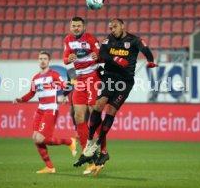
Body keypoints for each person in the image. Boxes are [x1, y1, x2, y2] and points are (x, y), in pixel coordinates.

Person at [77, 18, 158, 175]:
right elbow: (102, 53)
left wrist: (150, 61)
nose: (112, 29)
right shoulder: (109, 39)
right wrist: (116, 58)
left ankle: (99, 144)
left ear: (122, 26)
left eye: (114, 27)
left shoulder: (134, 40)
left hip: (125, 82)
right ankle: (89, 141)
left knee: (111, 111)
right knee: (98, 105)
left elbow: (146, 50)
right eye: (110, 27)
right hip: (109, 77)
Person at [13, 51, 77, 174]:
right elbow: (31, 93)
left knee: (41, 138)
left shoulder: (53, 75)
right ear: (38, 61)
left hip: (51, 109)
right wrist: (20, 99)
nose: (42, 60)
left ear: (49, 61)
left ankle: (69, 141)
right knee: (35, 138)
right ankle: (49, 167)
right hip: (40, 109)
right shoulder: (36, 78)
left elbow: (65, 86)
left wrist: (64, 96)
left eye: (45, 59)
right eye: (40, 58)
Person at [63, 17, 108, 175]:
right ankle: (88, 157)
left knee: (94, 117)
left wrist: (98, 57)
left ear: (84, 27)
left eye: (78, 26)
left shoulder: (90, 38)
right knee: (79, 118)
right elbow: (65, 59)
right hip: (80, 80)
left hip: (93, 78)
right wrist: (69, 59)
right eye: (73, 26)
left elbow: (101, 55)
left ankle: (103, 152)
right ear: (70, 27)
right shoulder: (68, 40)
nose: (75, 28)